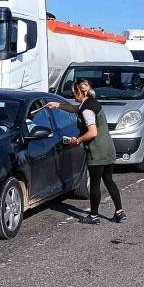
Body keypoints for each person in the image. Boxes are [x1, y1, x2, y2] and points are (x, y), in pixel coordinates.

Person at [46, 79, 127, 224]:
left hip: (97, 151)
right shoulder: (91, 102)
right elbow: (76, 108)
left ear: (79, 91)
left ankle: (94, 216)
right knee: (109, 180)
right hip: (108, 148)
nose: (73, 95)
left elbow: (92, 132)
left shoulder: (87, 110)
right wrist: (57, 105)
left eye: (73, 92)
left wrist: (77, 140)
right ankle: (119, 213)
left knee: (95, 184)